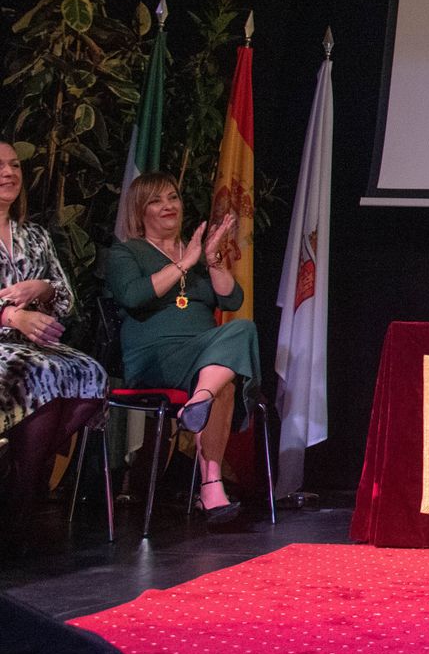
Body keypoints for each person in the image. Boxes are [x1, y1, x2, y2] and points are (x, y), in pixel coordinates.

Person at [105, 172, 256, 525]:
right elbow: (132, 296)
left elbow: (232, 297)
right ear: (140, 211)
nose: (169, 206)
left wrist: (213, 259)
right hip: (155, 358)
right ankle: (211, 485)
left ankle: (200, 407)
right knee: (224, 381)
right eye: (157, 201)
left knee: (241, 331)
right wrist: (184, 264)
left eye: (173, 197)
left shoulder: (199, 254)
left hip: (203, 358)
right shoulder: (126, 253)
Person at [0, 140, 108, 523]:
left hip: (35, 344)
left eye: (14, 165)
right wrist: (11, 317)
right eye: (0, 166)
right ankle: (24, 497)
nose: (9, 172)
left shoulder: (35, 236)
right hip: (7, 345)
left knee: (89, 373)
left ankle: (22, 478)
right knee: (41, 373)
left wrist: (42, 289)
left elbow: (66, 299)